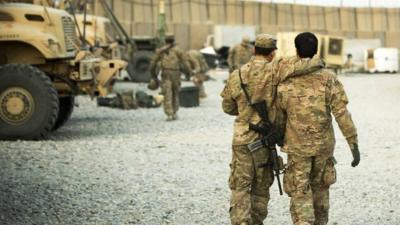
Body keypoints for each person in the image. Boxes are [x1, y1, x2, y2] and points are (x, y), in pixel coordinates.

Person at [276, 32, 360, 225]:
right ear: (317, 51)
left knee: (300, 190)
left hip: (297, 147)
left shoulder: (286, 80)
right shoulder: (329, 79)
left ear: (296, 51)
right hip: (323, 147)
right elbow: (342, 114)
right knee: (321, 189)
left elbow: (279, 116)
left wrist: (281, 139)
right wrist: (353, 144)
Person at [221, 34, 278, 225]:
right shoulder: (277, 75)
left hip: (242, 140)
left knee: (240, 187)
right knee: (261, 188)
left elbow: (228, 107)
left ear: (254, 50)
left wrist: (245, 112)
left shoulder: (237, 74)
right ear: (272, 53)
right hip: (265, 142)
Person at [149, 33, 190, 121]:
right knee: (175, 92)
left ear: (165, 40)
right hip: (176, 74)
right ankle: (174, 112)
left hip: (166, 73)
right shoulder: (178, 50)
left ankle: (169, 114)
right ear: (173, 40)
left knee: (167, 93)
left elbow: (153, 63)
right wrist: (188, 73)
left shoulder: (160, 51)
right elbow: (185, 63)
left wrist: (153, 75)